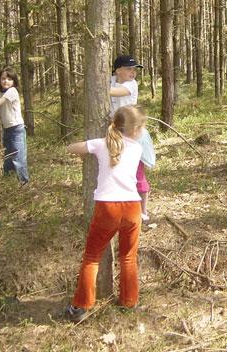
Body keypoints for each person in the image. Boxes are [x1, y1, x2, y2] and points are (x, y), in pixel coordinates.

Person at [64, 105, 147, 323]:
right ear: (136, 129)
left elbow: (72, 148)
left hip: (107, 207)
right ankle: (129, 301)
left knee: (92, 256)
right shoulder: (137, 148)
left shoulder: (101, 144)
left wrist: (77, 148)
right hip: (132, 207)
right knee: (128, 257)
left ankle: (81, 306)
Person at [109, 55, 154, 221]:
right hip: (116, 134)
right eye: (129, 68)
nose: (133, 72)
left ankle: (143, 211)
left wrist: (94, 86)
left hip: (133, 135)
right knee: (119, 171)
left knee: (137, 173)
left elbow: (116, 92)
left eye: (134, 69)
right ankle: (124, 207)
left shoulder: (131, 85)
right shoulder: (111, 80)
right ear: (117, 70)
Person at [0, 68, 29, 184]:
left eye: (9, 79)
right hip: (7, 129)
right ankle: (7, 181)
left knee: (18, 158)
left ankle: (24, 183)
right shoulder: (1, 93)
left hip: (17, 129)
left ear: (14, 81)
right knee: (8, 157)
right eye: (3, 78)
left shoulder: (12, 91)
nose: (6, 81)